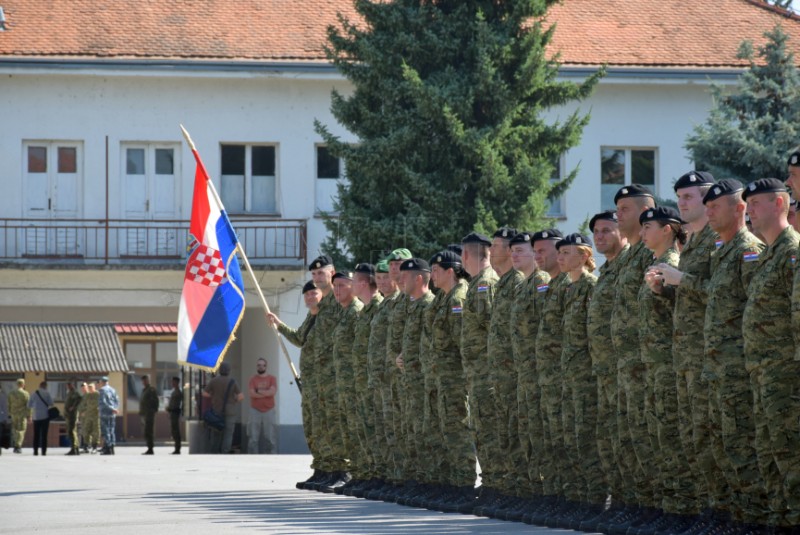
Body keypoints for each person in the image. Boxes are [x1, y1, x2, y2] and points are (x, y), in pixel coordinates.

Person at [742, 177, 799, 528]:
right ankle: (778, 519)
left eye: (756, 203)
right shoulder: (768, 254)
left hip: (785, 372)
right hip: (763, 370)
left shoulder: (792, 251)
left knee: (789, 454)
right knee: (769, 452)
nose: (749, 210)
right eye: (747, 204)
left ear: (779, 204)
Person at [580, 210, 629, 532]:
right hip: (607, 371)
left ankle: (643, 506)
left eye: (607, 230)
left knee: (633, 438)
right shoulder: (609, 271)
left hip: (630, 369)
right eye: (596, 232)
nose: (599, 237)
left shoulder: (629, 265)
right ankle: (626, 504)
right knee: (613, 439)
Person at [557, 233, 603, 525]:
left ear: (585, 256)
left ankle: (595, 500)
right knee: (572, 437)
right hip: (569, 375)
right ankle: (578, 498)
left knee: (587, 437)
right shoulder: (568, 288)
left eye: (566, 252)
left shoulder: (590, 287)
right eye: (558, 252)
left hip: (586, 375)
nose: (560, 257)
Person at [456, 232, 498, 514]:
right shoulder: (475, 285)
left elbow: (492, 329)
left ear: (467, 256)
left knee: (492, 431)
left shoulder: (485, 284)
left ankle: (497, 485)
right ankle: (492, 483)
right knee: (483, 431)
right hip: (477, 373)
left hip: (487, 373)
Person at [269, 279, 322, 486]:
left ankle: (335, 469)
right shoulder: (311, 317)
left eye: (314, 293)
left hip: (325, 383)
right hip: (311, 383)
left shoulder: (329, 316)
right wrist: (279, 324)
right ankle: (321, 468)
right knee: (313, 428)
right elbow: (299, 338)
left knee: (327, 428)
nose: (310, 297)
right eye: (307, 294)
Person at [202, 361, 243, 454]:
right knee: (228, 434)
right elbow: (241, 396)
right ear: (229, 371)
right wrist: (234, 400)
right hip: (230, 411)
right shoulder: (232, 381)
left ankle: (214, 452)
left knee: (216, 433)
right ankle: (225, 452)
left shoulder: (214, 381)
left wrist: (213, 396)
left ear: (219, 370)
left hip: (216, 410)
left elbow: (204, 393)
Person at [247, 358, 278, 454]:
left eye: (262, 365)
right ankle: (253, 459)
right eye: (258, 365)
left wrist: (258, 391)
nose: (260, 367)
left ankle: (271, 458)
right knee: (253, 438)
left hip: (269, 410)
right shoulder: (252, 379)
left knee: (270, 437)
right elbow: (252, 394)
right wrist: (266, 392)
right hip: (255, 410)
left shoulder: (272, 379)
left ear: (266, 366)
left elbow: (272, 392)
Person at [28, 381, 54, 456]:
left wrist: (35, 406)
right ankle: (44, 451)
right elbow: (51, 403)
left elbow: (28, 405)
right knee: (44, 435)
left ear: (39, 386)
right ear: (45, 386)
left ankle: (35, 451)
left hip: (36, 417)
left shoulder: (34, 393)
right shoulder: (47, 393)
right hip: (45, 416)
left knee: (36, 434)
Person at [98, 376, 120, 455]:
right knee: (112, 430)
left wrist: (111, 409)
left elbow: (103, 402)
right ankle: (112, 447)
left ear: (102, 382)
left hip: (105, 413)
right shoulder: (113, 390)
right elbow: (117, 400)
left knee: (106, 430)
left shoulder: (102, 390)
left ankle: (108, 448)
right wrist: (115, 409)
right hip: (112, 414)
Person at [8, 378, 29, 454]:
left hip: (13, 414)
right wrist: (29, 415)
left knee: (14, 429)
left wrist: (9, 413)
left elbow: (8, 404)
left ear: (17, 384)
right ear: (23, 384)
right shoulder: (25, 393)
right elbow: (28, 405)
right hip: (22, 415)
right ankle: (18, 446)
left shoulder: (11, 393)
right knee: (21, 430)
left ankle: (15, 444)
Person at [139, 374, 159, 455]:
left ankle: (150, 448)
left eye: (145, 380)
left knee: (149, 431)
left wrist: (153, 411)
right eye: (143, 381)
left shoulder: (151, 390)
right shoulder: (144, 390)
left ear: (148, 381)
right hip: (144, 413)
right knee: (146, 431)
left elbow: (156, 401)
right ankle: (149, 447)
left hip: (149, 413)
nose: (144, 382)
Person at [80, 382, 100, 453]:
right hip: (88, 416)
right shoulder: (87, 395)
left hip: (95, 416)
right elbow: (84, 404)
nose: (90, 389)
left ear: (94, 387)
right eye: (89, 387)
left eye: (91, 387)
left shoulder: (98, 394)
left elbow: (101, 403)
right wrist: (83, 411)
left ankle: (95, 447)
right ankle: (86, 446)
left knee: (95, 431)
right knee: (86, 431)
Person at [64, 380, 82, 455]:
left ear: (72, 385)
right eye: (67, 385)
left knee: (72, 431)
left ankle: (74, 448)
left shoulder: (75, 393)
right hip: (68, 415)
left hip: (73, 415)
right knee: (70, 431)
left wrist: (73, 407)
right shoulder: (69, 393)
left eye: (69, 385)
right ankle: (75, 447)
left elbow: (79, 399)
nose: (68, 386)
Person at [167, 376, 183, 454]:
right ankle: (176, 448)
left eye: (173, 382)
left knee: (175, 431)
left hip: (175, 413)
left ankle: (178, 448)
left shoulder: (178, 392)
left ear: (177, 383)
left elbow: (177, 404)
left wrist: (171, 409)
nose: (172, 383)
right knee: (174, 431)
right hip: (172, 413)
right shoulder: (174, 392)